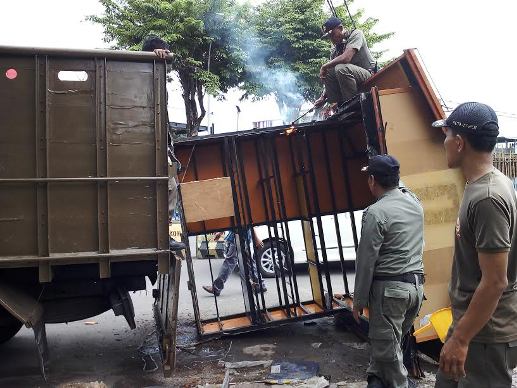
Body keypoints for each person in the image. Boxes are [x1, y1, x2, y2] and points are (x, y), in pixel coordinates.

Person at [432, 102, 517, 388]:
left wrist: (461, 338)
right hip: (471, 324)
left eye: (446, 136)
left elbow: (495, 281)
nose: (443, 142)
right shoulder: (482, 186)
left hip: (485, 335)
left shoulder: (488, 198)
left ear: (459, 142)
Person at [352, 155, 425, 388]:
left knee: (388, 356)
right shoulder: (414, 202)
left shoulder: (376, 213)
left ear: (372, 180)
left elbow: (366, 262)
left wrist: (358, 301)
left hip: (390, 294)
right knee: (388, 351)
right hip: (415, 290)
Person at [314, 16, 376, 108]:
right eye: (329, 37)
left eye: (332, 34)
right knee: (329, 72)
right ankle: (338, 106)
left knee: (340, 68)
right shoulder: (335, 50)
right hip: (351, 81)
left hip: (369, 76)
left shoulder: (356, 34)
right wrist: (323, 97)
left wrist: (324, 66)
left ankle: (352, 105)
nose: (332, 39)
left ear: (340, 28)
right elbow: (330, 71)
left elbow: (346, 58)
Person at [203, 228, 267, 297]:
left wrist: (256, 239)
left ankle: (216, 288)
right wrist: (221, 232)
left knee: (230, 262)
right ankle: (260, 285)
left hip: (239, 237)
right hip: (240, 237)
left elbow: (249, 224)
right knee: (248, 262)